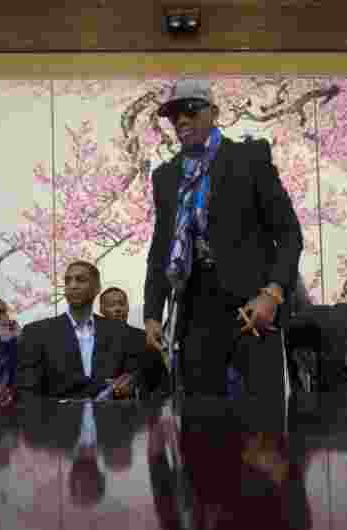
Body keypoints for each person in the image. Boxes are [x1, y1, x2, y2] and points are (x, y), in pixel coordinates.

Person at [143, 79, 303, 402]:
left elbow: (288, 233)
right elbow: (161, 248)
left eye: (191, 109)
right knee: (201, 417)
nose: (181, 119)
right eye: (174, 114)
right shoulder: (166, 176)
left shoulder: (249, 158)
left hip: (251, 307)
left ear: (214, 112)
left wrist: (272, 295)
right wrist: (152, 314)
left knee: (263, 415)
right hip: (195, 311)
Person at [16, 261, 139, 401]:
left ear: (97, 288)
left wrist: (128, 385)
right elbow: (27, 392)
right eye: (68, 281)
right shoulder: (37, 333)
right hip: (57, 414)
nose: (72, 285)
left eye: (80, 280)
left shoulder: (120, 333)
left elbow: (132, 383)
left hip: (110, 413)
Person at [98, 286, 165, 396]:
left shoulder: (145, 338)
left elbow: (159, 379)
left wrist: (135, 384)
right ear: (101, 309)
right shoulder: (92, 339)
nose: (118, 309)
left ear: (128, 307)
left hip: (137, 402)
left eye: (122, 304)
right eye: (111, 305)